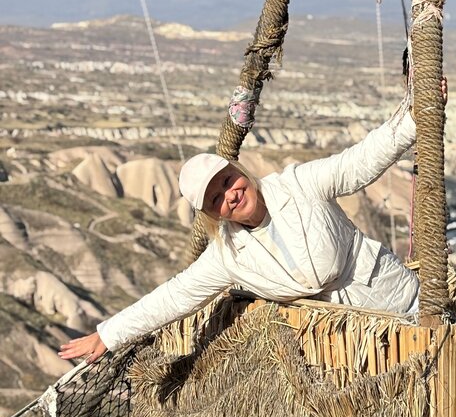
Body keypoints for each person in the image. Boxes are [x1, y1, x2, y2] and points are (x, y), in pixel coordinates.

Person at [59, 97, 421, 364]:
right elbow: (175, 296)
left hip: (398, 300)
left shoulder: (298, 185)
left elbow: (358, 162)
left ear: (240, 172)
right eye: (216, 198)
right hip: (356, 343)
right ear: (211, 213)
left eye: (228, 181)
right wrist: (108, 334)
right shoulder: (227, 255)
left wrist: (414, 120)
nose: (230, 196)